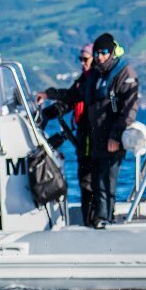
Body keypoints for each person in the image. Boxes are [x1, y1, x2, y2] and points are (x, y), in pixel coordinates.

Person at [82, 32, 139, 228]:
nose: (100, 56)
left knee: (108, 181)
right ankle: (99, 217)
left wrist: (116, 135)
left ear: (112, 52)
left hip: (112, 138)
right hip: (96, 138)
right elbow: (77, 94)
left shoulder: (125, 73)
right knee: (97, 182)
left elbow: (129, 108)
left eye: (104, 52)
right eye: (97, 52)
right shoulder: (96, 74)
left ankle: (106, 217)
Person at [36, 44, 96, 224]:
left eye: (85, 59)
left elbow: (70, 96)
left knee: (90, 181)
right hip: (82, 136)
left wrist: (49, 95)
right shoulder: (83, 80)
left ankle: (94, 220)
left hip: (92, 138)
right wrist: (46, 114)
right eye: (80, 60)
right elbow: (68, 101)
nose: (82, 63)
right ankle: (89, 220)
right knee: (85, 181)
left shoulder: (94, 81)